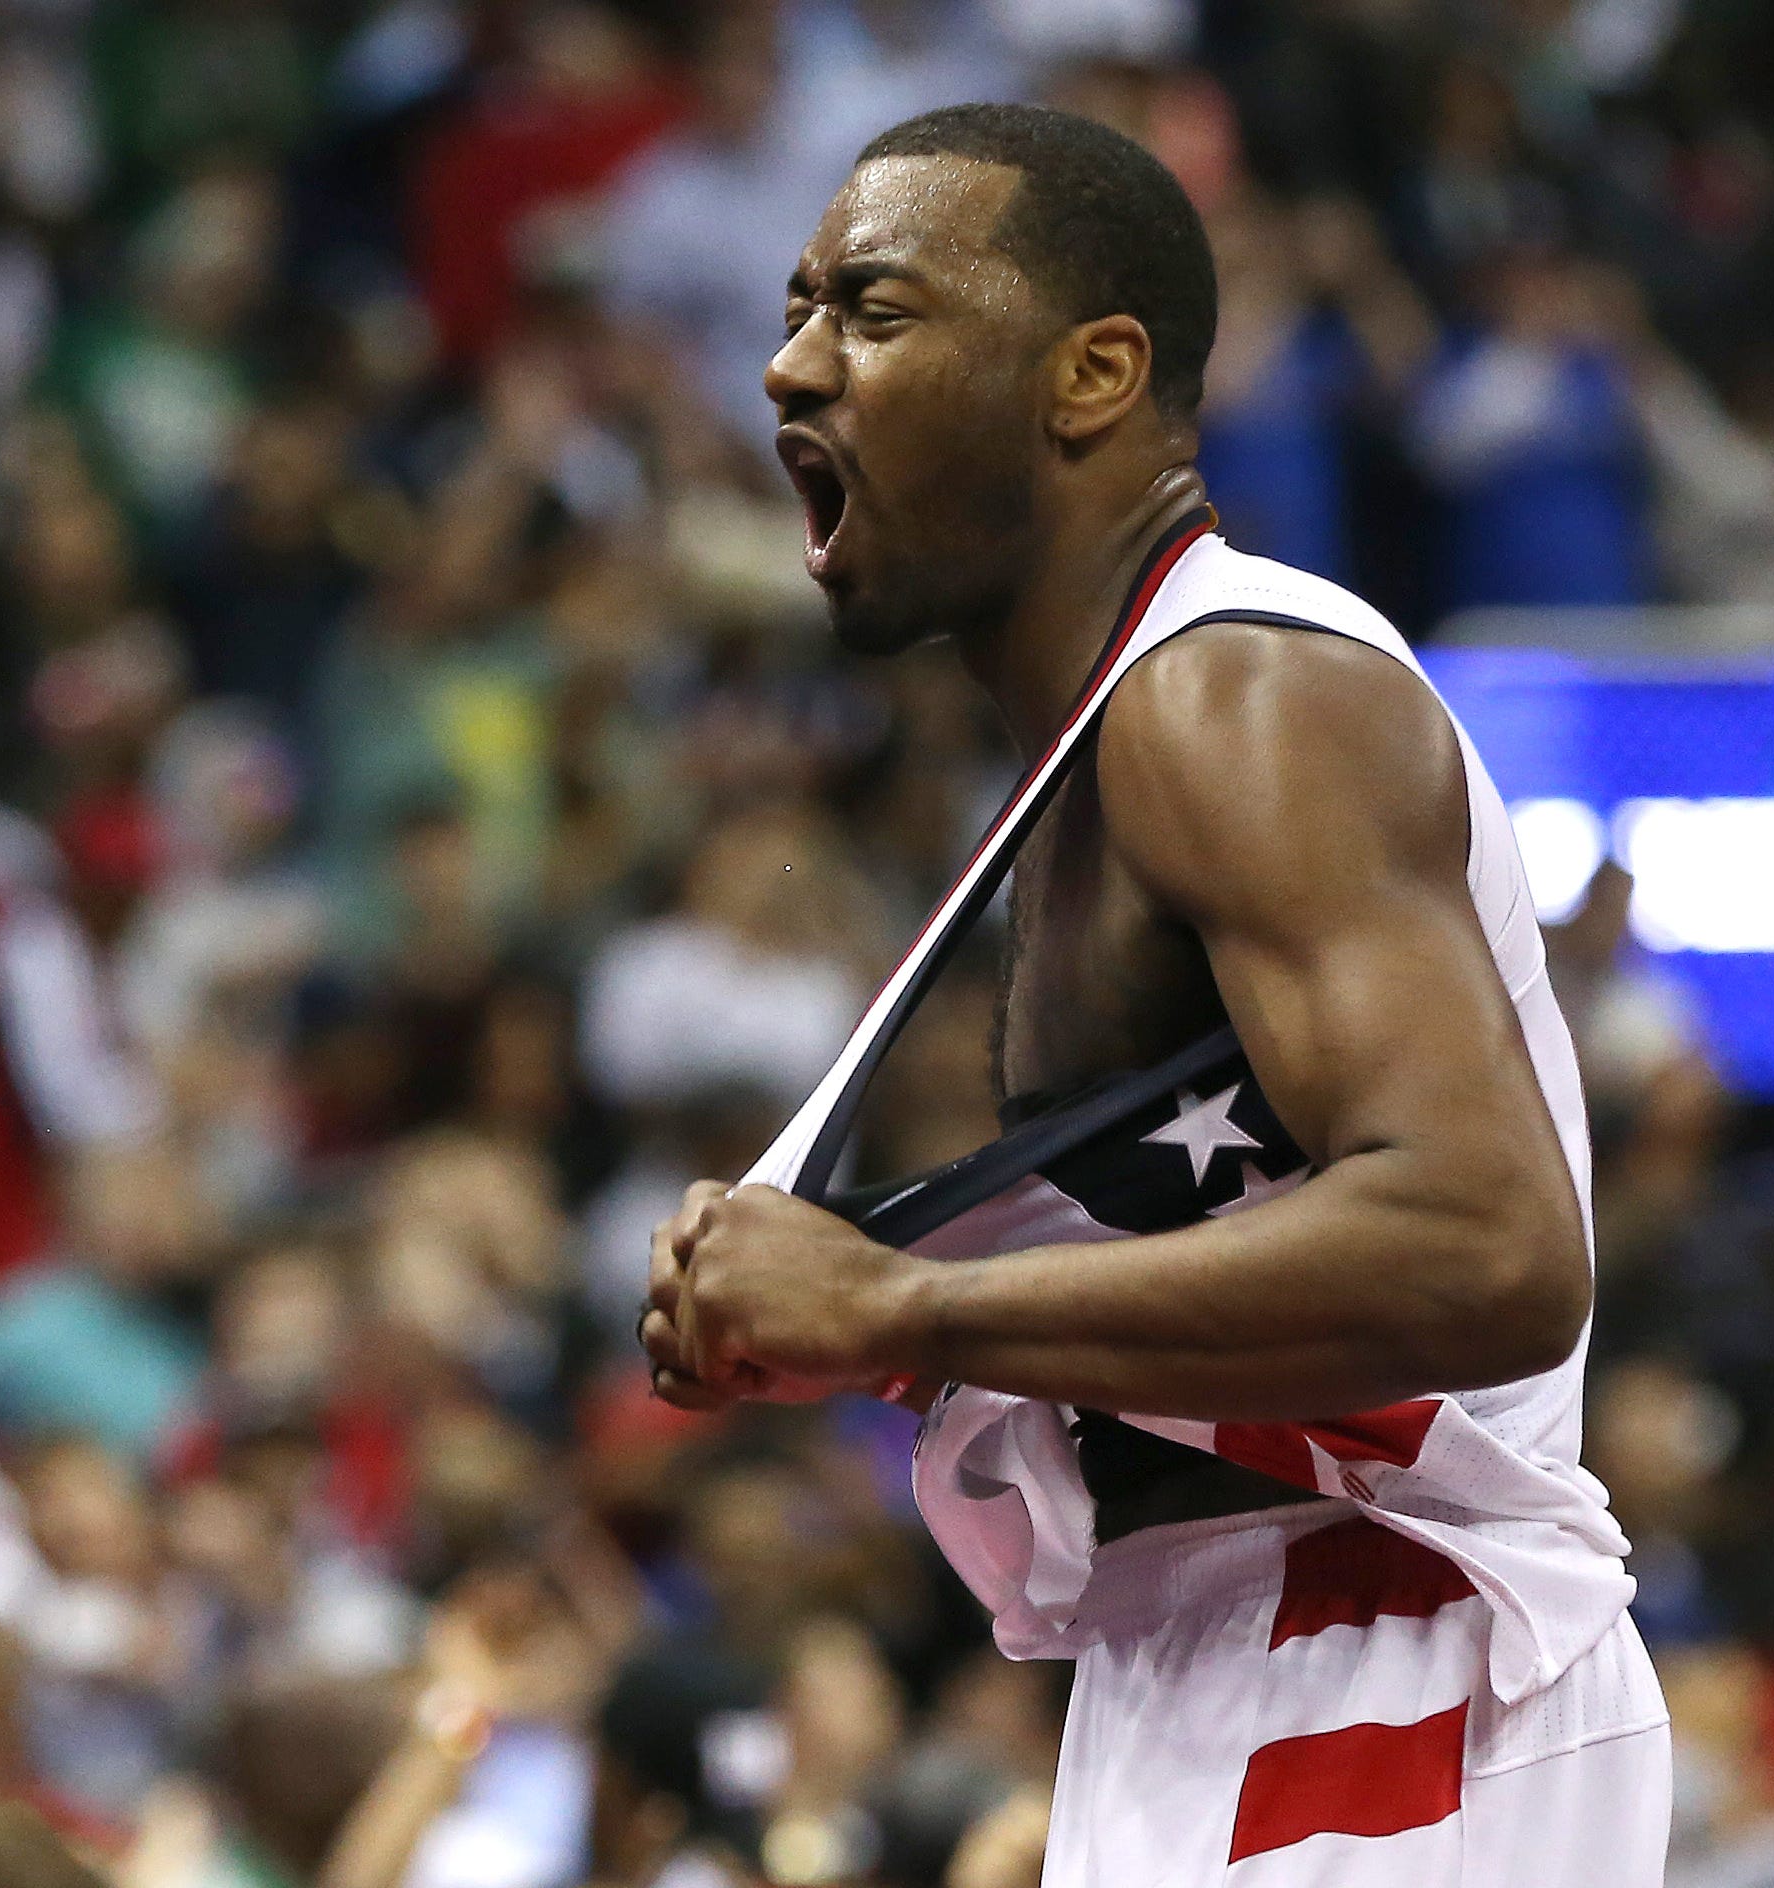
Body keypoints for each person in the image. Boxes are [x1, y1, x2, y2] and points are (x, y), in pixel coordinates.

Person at [633, 103, 1666, 1884]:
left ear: (1091, 373)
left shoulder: (1240, 696)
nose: (794, 367)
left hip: (1386, 1640)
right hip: (1199, 1652)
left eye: (874, 312)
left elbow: (1490, 1244)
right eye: (798, 310)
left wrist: (902, 1310)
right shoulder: (1099, 746)